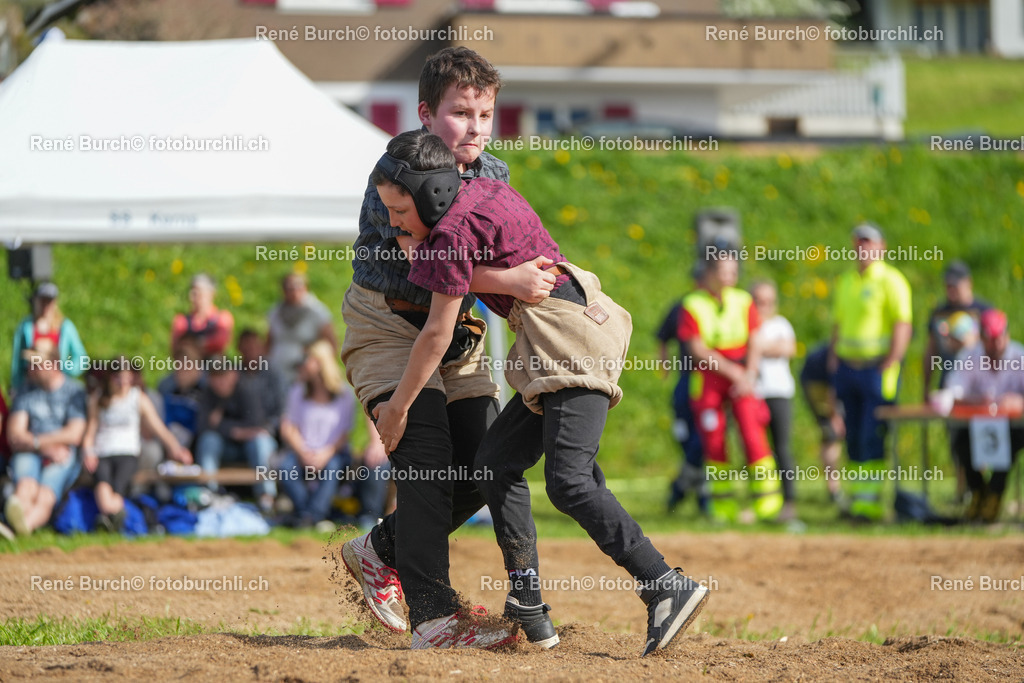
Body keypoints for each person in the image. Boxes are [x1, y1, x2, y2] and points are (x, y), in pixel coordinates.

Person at [371, 129, 709, 658]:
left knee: (570, 481)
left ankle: (664, 585)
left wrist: (398, 407)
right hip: (567, 328)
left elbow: (437, 332)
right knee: (496, 462)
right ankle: (526, 595)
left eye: (398, 210)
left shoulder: (449, 234)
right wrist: (447, 261)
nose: (393, 223)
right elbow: (474, 264)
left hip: (566, 340)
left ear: (431, 194)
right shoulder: (479, 191)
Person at [339, 47, 558, 651]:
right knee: (429, 463)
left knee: (489, 462)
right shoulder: (395, 173)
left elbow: (495, 257)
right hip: (388, 324)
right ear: (425, 113)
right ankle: (434, 619)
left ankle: (380, 550)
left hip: (455, 335)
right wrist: (508, 283)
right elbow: (423, 262)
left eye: (486, 115)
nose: (477, 129)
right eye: (462, 114)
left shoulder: (495, 176)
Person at [677, 251, 784, 523]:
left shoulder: (743, 300)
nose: (730, 277)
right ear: (710, 273)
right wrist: (734, 372)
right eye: (724, 271)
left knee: (752, 432)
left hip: (742, 376)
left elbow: (755, 339)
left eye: (733, 271)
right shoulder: (692, 303)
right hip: (710, 377)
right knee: (714, 440)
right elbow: (697, 348)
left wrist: (748, 374)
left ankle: (768, 504)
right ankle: (722, 508)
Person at [829, 223, 912, 521]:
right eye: (858, 243)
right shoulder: (847, 281)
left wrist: (892, 359)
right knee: (852, 437)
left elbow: (902, 323)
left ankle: (872, 503)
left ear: (881, 246)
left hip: (877, 370)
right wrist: (833, 359)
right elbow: (839, 325)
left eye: (868, 242)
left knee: (871, 435)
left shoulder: (891, 280)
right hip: (848, 369)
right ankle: (860, 501)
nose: (862, 248)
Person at [82, 360, 192, 531]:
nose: (124, 382)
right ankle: (112, 518)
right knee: (103, 487)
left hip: (127, 453)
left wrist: (176, 448)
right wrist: (88, 452)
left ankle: (108, 520)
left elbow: (158, 428)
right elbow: (90, 432)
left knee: (117, 488)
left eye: (127, 378)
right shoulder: (98, 399)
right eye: (119, 378)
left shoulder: (137, 397)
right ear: (110, 378)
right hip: (102, 452)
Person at [946, 309, 1024, 523]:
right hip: (976, 424)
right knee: (960, 438)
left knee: (1010, 439)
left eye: (999, 339)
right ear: (981, 338)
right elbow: (953, 392)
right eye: (990, 340)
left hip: (1012, 426)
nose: (995, 345)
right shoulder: (969, 357)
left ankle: (995, 494)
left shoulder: (1020, 356)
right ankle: (978, 492)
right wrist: (978, 401)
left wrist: (1018, 402)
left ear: (1007, 336)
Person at [923, 260, 990, 502]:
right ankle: (964, 490)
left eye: (956, 285)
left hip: (980, 389)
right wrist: (925, 386)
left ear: (968, 283)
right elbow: (930, 351)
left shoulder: (984, 310)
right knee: (957, 441)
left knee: (979, 439)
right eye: (948, 286)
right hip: (951, 387)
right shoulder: (939, 312)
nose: (951, 290)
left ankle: (981, 490)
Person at [3, 347, 87, 536]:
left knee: (45, 495)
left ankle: (19, 529)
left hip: (62, 453)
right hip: (31, 450)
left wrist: (35, 440)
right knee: (25, 487)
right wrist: (42, 446)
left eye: (36, 363)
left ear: (54, 364)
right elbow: (15, 434)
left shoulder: (74, 391)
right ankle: (18, 529)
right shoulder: (25, 390)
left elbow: (74, 434)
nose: (30, 368)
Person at [277, 341, 356, 528]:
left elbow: (345, 433)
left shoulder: (344, 394)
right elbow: (288, 427)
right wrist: (303, 451)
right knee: (286, 467)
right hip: (303, 450)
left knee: (333, 466)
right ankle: (311, 516)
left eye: (308, 359)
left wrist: (325, 453)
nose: (303, 363)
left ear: (320, 362)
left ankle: (310, 516)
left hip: (333, 451)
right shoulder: (297, 391)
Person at [194, 358, 278, 513]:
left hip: (251, 447)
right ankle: (209, 494)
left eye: (223, 376)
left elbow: (257, 425)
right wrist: (235, 431)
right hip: (226, 448)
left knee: (261, 442)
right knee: (208, 440)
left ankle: (266, 497)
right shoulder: (208, 395)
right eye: (215, 376)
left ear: (234, 375)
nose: (220, 382)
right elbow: (203, 427)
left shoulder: (248, 389)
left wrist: (223, 425)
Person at [656, 280, 706, 514]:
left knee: (704, 442)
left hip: (712, 384)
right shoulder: (683, 307)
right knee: (688, 440)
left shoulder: (726, 306)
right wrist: (663, 366)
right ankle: (697, 493)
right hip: (687, 382)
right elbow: (662, 336)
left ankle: (681, 488)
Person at [751, 280, 798, 522]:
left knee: (782, 448)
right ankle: (762, 503)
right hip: (754, 393)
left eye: (768, 301)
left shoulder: (781, 324)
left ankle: (790, 503)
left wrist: (759, 348)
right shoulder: (747, 325)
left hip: (779, 393)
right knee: (757, 451)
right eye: (759, 301)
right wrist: (768, 347)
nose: (764, 306)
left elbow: (788, 348)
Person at [267, 273, 339, 405]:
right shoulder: (276, 312)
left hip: (305, 375)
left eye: (298, 287)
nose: (294, 292)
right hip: (279, 372)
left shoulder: (317, 311)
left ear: (306, 288)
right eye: (289, 288)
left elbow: (331, 344)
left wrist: (317, 364)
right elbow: (269, 342)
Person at [10, 282, 88, 396]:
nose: (45, 305)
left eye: (49, 301)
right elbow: (17, 360)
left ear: (55, 303)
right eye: (42, 300)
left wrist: (63, 370)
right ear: (36, 301)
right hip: (32, 385)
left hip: (57, 386)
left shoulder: (65, 326)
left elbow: (81, 358)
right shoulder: (26, 326)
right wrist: (16, 386)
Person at [799, 344, 845, 502]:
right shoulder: (840, 354)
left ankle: (836, 488)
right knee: (830, 434)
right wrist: (833, 416)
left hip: (833, 382)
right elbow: (833, 380)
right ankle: (833, 489)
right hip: (815, 379)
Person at [156, 334, 207, 452]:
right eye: (179, 366)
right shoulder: (166, 386)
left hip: (196, 441)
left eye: (187, 366)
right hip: (170, 439)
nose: (182, 372)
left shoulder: (206, 388)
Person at [171, 273, 234, 357]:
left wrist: (194, 344)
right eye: (192, 291)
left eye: (198, 292)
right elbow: (177, 347)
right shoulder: (182, 321)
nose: (192, 296)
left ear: (212, 294)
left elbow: (220, 342)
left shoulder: (222, 318)